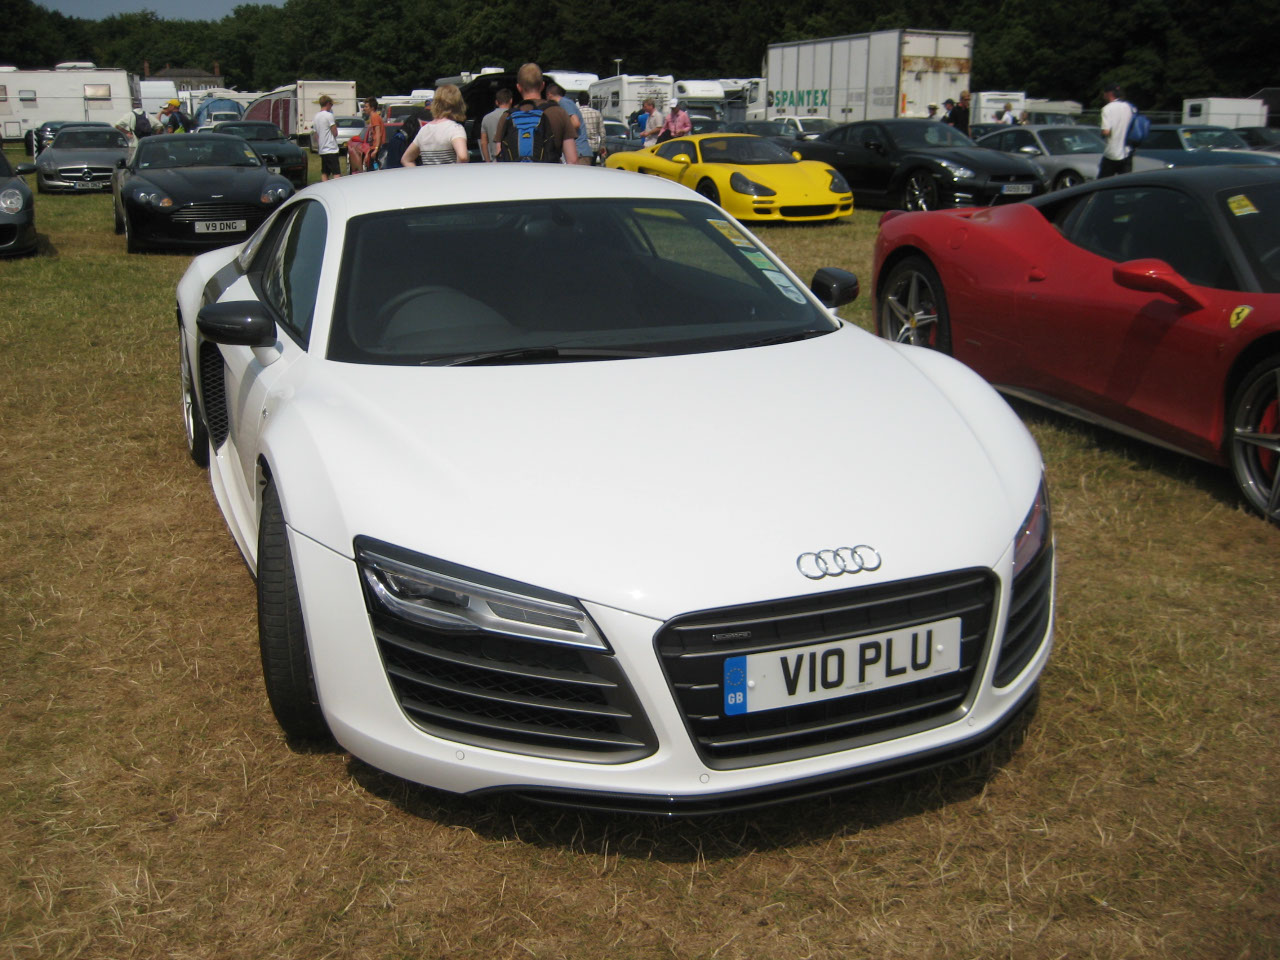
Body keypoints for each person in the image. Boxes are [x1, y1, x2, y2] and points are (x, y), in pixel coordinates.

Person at [493, 63, 577, 163]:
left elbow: (500, 156)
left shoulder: (507, 116)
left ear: (519, 87)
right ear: (542, 85)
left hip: (517, 177)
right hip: (550, 176)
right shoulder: (559, 113)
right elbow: (572, 160)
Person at [403, 83, 469, 165]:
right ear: (458, 104)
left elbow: (406, 159)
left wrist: (419, 176)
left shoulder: (424, 130)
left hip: (429, 177)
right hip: (449, 176)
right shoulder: (455, 129)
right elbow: (463, 157)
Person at [546, 81, 590, 165]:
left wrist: (561, 131)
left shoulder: (563, 103)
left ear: (549, 95)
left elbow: (576, 123)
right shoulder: (566, 102)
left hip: (579, 152)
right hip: (580, 152)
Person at [1098, 83, 1135, 178]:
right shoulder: (1130, 107)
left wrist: (1102, 134)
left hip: (1112, 153)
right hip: (1127, 151)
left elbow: (1106, 131)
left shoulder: (1107, 109)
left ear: (1109, 94)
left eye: (1104, 93)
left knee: (1102, 183)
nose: (1103, 96)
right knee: (1124, 184)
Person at [479, 89, 512, 161]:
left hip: (495, 160)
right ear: (511, 100)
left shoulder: (486, 118)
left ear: (496, 102)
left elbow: (483, 142)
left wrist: (487, 161)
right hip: (513, 159)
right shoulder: (514, 116)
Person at [314, 95, 341, 181]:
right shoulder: (329, 115)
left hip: (322, 149)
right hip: (331, 148)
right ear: (328, 104)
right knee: (336, 173)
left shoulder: (316, 117)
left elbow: (316, 134)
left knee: (325, 172)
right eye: (331, 105)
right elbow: (335, 132)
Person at [577, 92, 604, 164]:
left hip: (580, 147)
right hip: (594, 147)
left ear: (578, 101)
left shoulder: (576, 113)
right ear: (588, 101)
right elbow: (602, 133)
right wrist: (602, 146)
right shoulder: (597, 113)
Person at [363, 97, 386, 169]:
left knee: (373, 171)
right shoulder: (373, 117)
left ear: (372, 108)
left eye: (366, 107)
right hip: (373, 148)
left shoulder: (374, 117)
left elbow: (378, 133)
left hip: (377, 149)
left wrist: (376, 149)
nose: (364, 108)